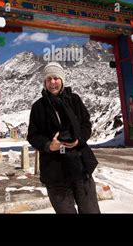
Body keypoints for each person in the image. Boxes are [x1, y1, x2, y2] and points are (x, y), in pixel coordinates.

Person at [27, 61, 100, 214]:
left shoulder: (74, 100)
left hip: (80, 168)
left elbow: (86, 124)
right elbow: (33, 136)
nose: (52, 82)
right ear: (44, 82)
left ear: (62, 79)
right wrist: (48, 145)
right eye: (48, 79)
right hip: (55, 172)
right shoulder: (38, 107)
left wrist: (78, 140)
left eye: (55, 78)